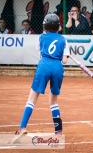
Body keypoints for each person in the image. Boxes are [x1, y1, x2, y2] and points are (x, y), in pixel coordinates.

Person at [11, 13, 70, 144]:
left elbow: (42, 51)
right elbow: (64, 60)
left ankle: (22, 127)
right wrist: (67, 55)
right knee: (53, 102)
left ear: (45, 25)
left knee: (31, 99)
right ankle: (58, 132)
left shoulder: (41, 37)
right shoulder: (63, 39)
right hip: (57, 68)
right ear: (58, 26)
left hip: (44, 66)